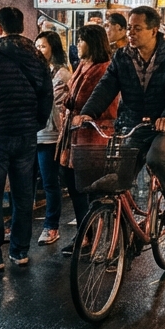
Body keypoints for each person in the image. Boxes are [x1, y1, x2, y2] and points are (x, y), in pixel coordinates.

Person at [75, 6, 165, 222]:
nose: (131, 33)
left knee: (156, 157)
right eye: (129, 28)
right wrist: (88, 112)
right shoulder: (122, 57)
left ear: (154, 30)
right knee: (119, 177)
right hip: (133, 126)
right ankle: (128, 235)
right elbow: (106, 87)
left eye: (137, 28)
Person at [0, 7, 53, 271]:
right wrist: (34, 123)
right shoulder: (37, 56)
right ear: (22, 26)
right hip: (26, 136)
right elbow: (46, 97)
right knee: (23, 196)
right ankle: (19, 252)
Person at [55, 25, 115, 250]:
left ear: (93, 43)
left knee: (87, 188)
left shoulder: (103, 69)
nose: (77, 45)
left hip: (93, 135)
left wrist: (69, 101)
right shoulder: (82, 65)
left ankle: (91, 236)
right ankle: (85, 234)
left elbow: (78, 100)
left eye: (81, 40)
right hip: (73, 134)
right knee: (73, 185)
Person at [34, 30, 72, 246]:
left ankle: (51, 226)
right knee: (27, 185)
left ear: (53, 49)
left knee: (50, 183)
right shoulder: (36, 71)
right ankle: (17, 226)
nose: (39, 51)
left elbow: (56, 107)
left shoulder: (62, 75)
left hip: (50, 136)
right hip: (32, 135)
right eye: (37, 47)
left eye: (43, 47)